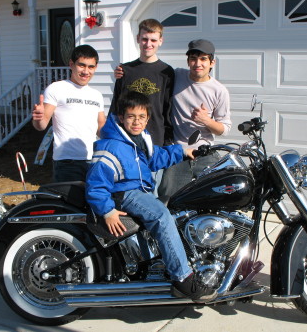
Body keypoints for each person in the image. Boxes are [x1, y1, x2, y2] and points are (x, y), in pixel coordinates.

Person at [86, 91, 216, 302]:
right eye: (131, 116)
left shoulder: (138, 139)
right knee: (161, 216)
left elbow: (155, 158)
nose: (136, 121)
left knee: (177, 209)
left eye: (141, 117)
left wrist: (183, 151)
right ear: (121, 117)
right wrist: (107, 210)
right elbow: (96, 183)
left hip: (139, 191)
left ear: (147, 118)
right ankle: (182, 277)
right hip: (124, 192)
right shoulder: (111, 145)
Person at [158, 39, 232, 200]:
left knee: (216, 198)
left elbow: (224, 129)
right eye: (193, 58)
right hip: (178, 152)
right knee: (167, 200)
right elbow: (150, 70)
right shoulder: (176, 76)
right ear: (188, 61)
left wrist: (206, 120)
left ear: (212, 62)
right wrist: (124, 72)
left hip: (205, 154)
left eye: (203, 59)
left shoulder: (219, 91)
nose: (197, 63)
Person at [32, 45, 106, 182]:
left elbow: (101, 127)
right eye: (82, 65)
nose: (86, 71)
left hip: (93, 160)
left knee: (91, 202)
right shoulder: (56, 88)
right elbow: (41, 125)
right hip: (67, 162)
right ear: (71, 64)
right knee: (69, 203)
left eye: (91, 67)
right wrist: (38, 118)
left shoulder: (96, 95)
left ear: (95, 67)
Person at [110, 18, 174, 147]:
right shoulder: (125, 70)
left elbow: (168, 109)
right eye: (144, 39)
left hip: (155, 139)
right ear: (138, 38)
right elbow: (115, 106)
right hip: (125, 139)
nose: (148, 44)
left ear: (160, 41)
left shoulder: (166, 72)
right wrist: (110, 133)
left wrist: (167, 141)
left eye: (153, 40)